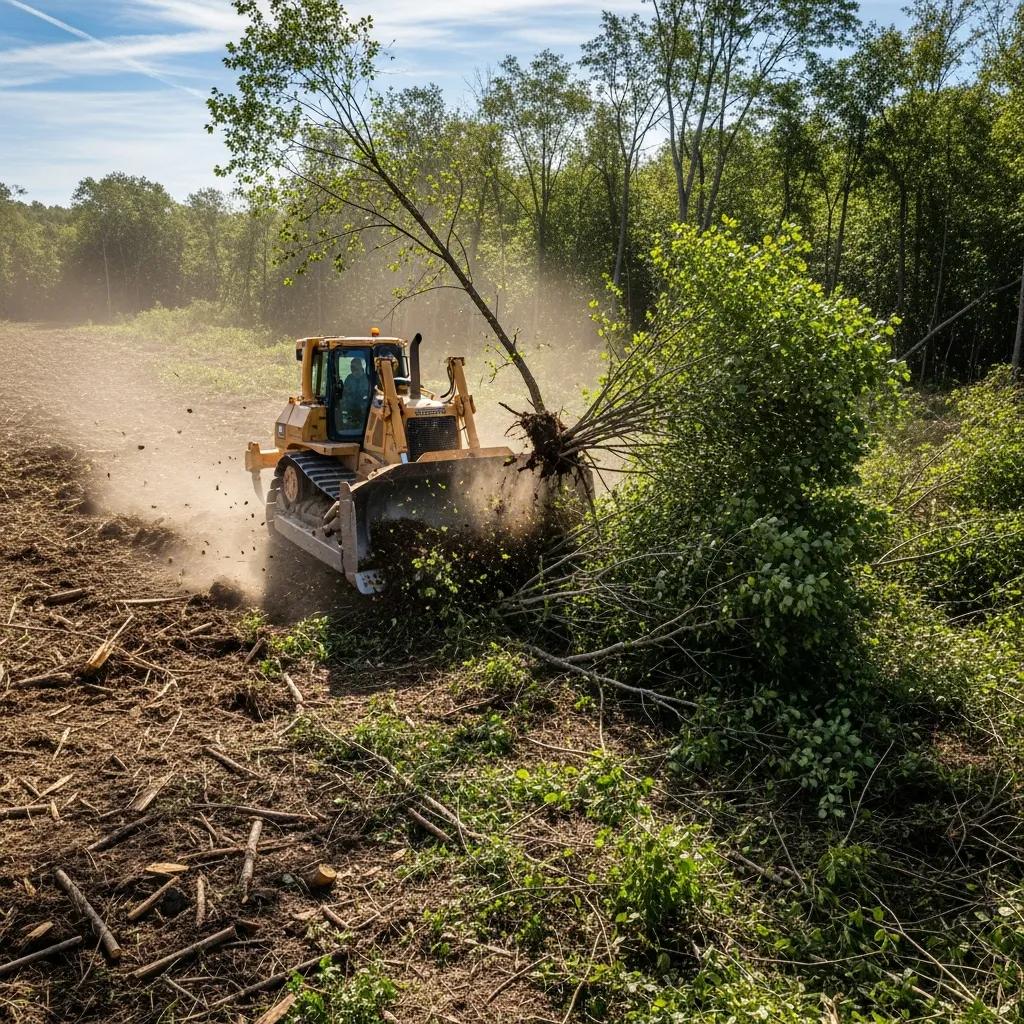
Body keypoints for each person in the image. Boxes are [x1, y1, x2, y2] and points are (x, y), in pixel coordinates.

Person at [340, 357, 370, 426]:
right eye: (352, 367)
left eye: (354, 366)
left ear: (360, 366)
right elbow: (344, 394)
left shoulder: (367, 379)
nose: (352, 368)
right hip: (351, 409)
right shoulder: (349, 379)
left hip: (365, 410)